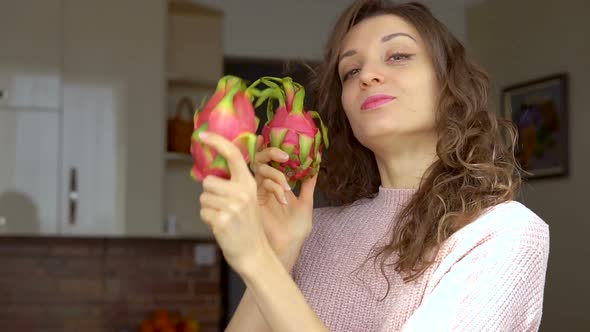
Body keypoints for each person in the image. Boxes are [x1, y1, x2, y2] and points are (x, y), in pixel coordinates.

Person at [196, 0, 550, 331]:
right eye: (351, 71)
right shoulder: (311, 231)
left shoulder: (505, 233)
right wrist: (280, 251)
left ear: (448, 85)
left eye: (397, 56)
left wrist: (257, 260)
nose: (368, 76)